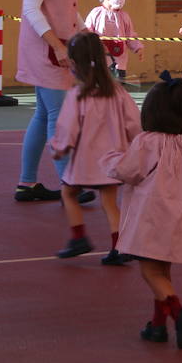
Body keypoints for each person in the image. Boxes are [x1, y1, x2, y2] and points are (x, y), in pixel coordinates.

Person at [104, 77, 182, 349]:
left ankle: (179, 312)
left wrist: (110, 160)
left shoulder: (147, 142)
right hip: (179, 216)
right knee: (163, 272)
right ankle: (158, 326)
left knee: (150, 270)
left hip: (153, 215)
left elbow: (128, 171)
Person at [15, 0, 90, 203]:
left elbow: (67, 8)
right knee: (58, 118)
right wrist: (58, 46)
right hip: (47, 50)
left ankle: (27, 183)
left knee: (44, 114)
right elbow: (31, 9)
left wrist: (87, 32)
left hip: (58, 48)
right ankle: (69, 184)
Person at [49, 32, 141, 264]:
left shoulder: (78, 95)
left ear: (74, 63)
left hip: (85, 161)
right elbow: (134, 123)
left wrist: (60, 148)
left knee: (68, 193)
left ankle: (79, 237)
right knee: (109, 202)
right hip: (113, 160)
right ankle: (119, 248)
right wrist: (137, 144)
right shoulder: (118, 91)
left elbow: (68, 127)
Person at [83, 0, 145, 81]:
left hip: (119, 61)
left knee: (118, 87)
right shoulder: (96, 13)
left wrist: (138, 48)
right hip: (99, 60)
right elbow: (87, 31)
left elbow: (130, 35)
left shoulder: (124, 16)